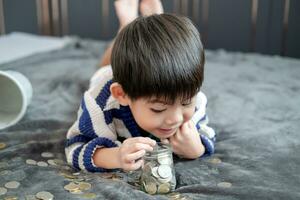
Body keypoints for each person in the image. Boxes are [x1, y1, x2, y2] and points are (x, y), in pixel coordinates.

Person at [65, 0, 216, 172]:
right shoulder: (100, 104)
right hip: (107, 75)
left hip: (151, 78)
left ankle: (152, 25)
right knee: (108, 64)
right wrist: (116, 156)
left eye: (186, 103)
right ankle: (126, 26)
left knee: (141, 52)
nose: (175, 119)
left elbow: (207, 134)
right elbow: (74, 147)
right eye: (158, 109)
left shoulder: (191, 97)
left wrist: (197, 149)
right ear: (122, 94)